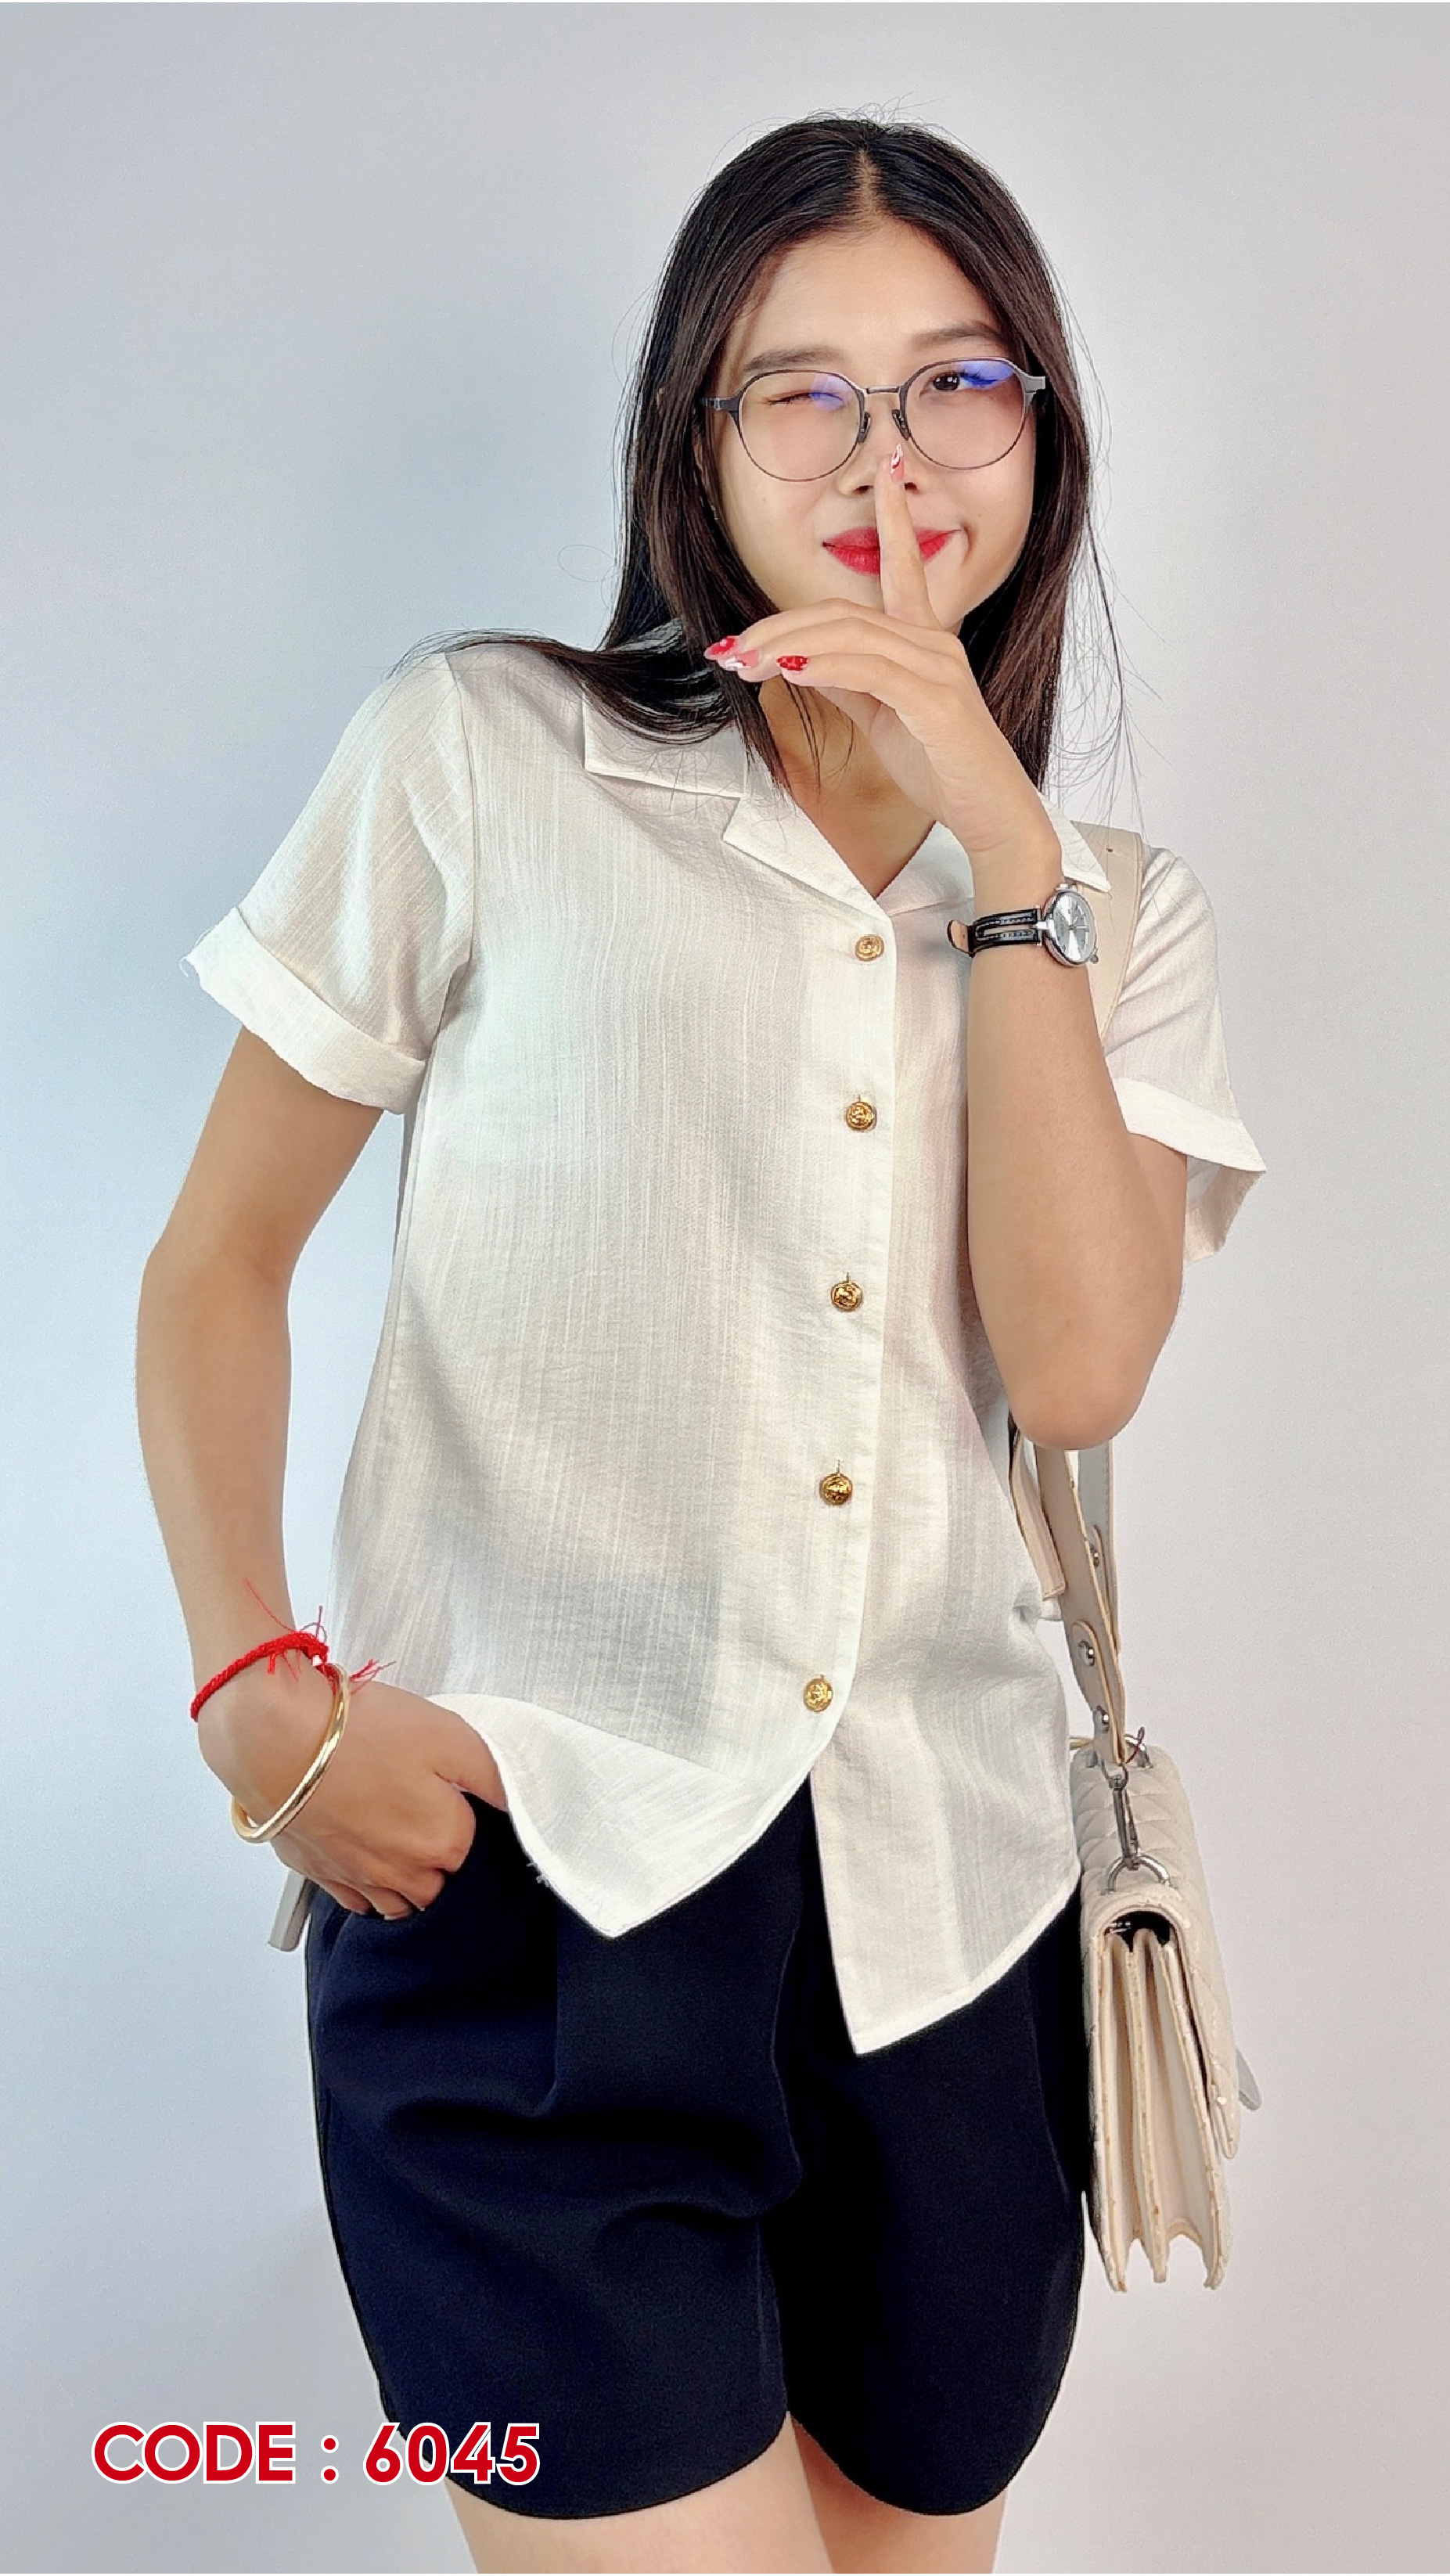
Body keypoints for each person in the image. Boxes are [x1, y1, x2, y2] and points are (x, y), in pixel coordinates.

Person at [135, 113, 1265, 2576]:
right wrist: (255, 1691)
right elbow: (216, 1258)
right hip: (531, 1897)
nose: (886, 458)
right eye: (803, 393)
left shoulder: (1114, 905)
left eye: (957, 383)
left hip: (952, 1930)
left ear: (1043, 429)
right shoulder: (479, 756)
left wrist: (1006, 853)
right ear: (697, 441)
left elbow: (1080, 1373)